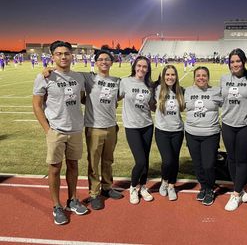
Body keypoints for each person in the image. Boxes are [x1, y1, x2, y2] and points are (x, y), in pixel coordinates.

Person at [32, 40, 88, 225]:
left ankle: (72, 200)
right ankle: (57, 206)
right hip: (56, 130)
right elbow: (37, 105)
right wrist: (48, 130)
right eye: (59, 54)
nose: (63, 57)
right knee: (55, 168)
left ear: (72, 55)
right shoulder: (45, 77)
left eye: (66, 53)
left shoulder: (78, 77)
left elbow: (81, 99)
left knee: (73, 165)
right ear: (53, 56)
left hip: (75, 129)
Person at [81, 51, 123, 209]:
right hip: (94, 127)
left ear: (111, 62)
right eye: (101, 59)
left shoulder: (117, 81)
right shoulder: (88, 78)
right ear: (96, 62)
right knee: (93, 162)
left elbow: (117, 98)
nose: (104, 62)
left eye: (107, 59)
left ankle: (106, 187)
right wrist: (48, 70)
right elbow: (67, 74)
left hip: (111, 126)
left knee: (108, 160)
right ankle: (94, 193)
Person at [220, 48, 247, 211]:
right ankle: (240, 189)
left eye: (238, 61)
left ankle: (235, 194)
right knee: (231, 159)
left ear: (244, 62)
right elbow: (219, 100)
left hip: (245, 125)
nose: (235, 64)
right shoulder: (223, 79)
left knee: (241, 160)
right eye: (232, 61)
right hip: (228, 124)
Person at [119, 56, 155, 204]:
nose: (141, 69)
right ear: (134, 66)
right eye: (139, 66)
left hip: (147, 125)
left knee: (145, 160)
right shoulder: (125, 82)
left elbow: (152, 106)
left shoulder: (150, 85)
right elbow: (116, 98)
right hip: (132, 126)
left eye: (144, 67)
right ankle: (133, 187)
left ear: (148, 69)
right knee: (140, 161)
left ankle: (143, 186)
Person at [184, 66, 222, 206]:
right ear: (194, 77)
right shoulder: (188, 91)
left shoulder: (216, 91)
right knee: (198, 164)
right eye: (198, 75)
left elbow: (229, 106)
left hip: (210, 134)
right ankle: (204, 187)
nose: (201, 78)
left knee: (208, 164)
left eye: (204, 75)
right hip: (191, 133)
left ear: (208, 77)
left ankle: (210, 189)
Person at [154, 65, 185, 201]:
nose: (170, 77)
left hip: (177, 131)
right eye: (167, 75)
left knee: (175, 160)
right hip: (162, 131)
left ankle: (172, 185)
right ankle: (164, 181)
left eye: (173, 75)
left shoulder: (181, 91)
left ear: (176, 76)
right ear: (163, 76)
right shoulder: (157, 89)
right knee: (167, 160)